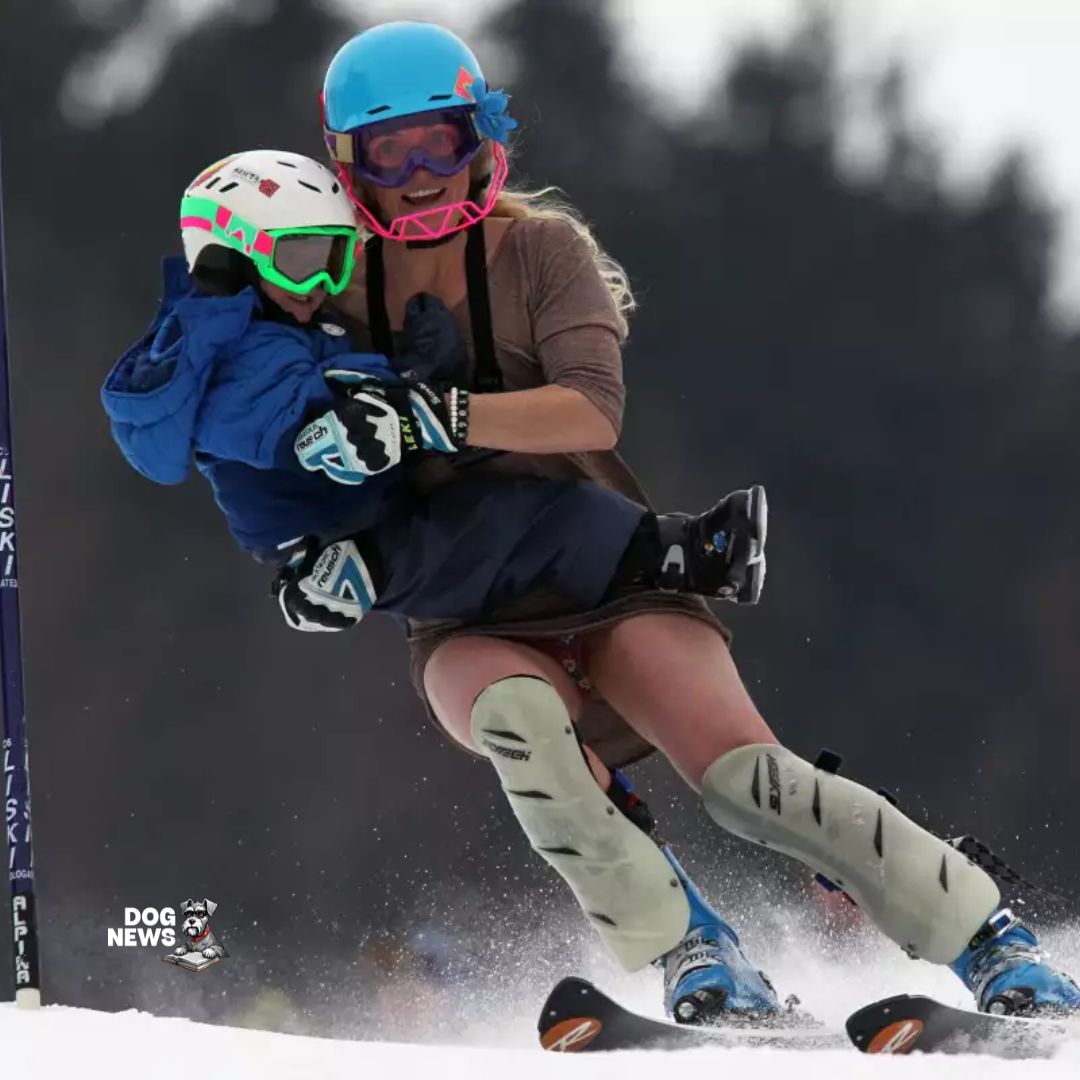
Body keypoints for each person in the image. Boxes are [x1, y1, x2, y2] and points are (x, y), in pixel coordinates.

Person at [300, 19, 1080, 1024]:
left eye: (437, 143)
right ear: (348, 163)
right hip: (462, 607)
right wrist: (301, 559)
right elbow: (253, 428)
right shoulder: (326, 283)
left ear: (479, 138)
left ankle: (990, 941)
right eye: (389, 152)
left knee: (751, 783)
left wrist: (432, 418)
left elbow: (589, 410)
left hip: (606, 572)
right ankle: (695, 951)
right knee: (523, 731)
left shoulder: (541, 252)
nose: (418, 176)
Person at [101, 148, 765, 642]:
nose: (319, 284)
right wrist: (397, 392)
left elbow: (344, 389)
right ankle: (682, 554)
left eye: (334, 260)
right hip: (339, 534)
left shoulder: (279, 326)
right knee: (516, 525)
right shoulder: (219, 359)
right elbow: (298, 421)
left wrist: (416, 376)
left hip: (373, 505)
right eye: (299, 261)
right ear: (230, 257)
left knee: (519, 505)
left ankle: (664, 565)